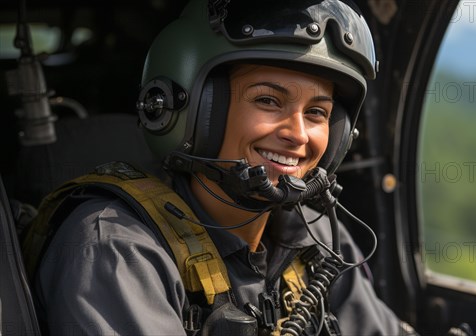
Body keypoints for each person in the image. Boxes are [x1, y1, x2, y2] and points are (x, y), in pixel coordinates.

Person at [22, 0, 418, 335]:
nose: (298, 134)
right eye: (268, 101)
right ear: (190, 110)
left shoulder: (317, 238)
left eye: (316, 112)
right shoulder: (115, 248)